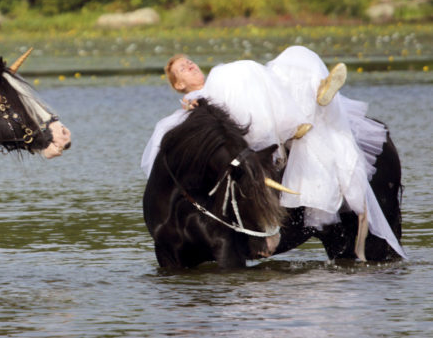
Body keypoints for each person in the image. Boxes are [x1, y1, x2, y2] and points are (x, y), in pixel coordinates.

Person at [142, 45, 404, 258]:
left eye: (189, 61)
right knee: (237, 70)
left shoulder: (221, 85)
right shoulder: (190, 106)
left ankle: (311, 95)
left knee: (293, 54)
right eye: (181, 68)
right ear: (178, 85)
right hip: (230, 127)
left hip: (248, 112)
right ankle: (295, 119)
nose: (189, 65)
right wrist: (196, 104)